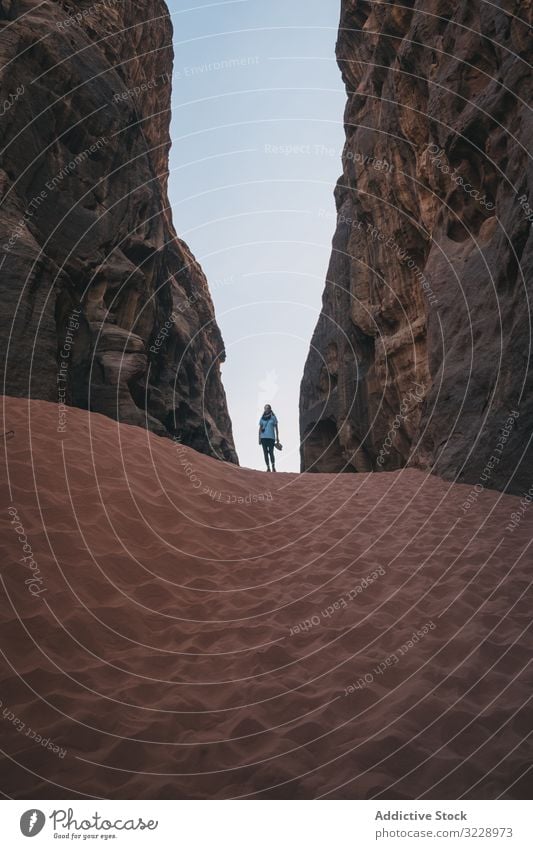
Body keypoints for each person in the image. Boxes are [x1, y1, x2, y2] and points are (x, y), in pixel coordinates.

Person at [258, 404, 279, 472]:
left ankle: (273, 467)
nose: (266, 410)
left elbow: (276, 428)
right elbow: (260, 429)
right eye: (265, 408)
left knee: (271, 452)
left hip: (271, 438)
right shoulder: (262, 418)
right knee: (265, 453)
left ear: (270, 409)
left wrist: (277, 438)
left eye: (267, 408)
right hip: (263, 437)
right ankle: (268, 467)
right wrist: (259, 438)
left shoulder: (273, 418)